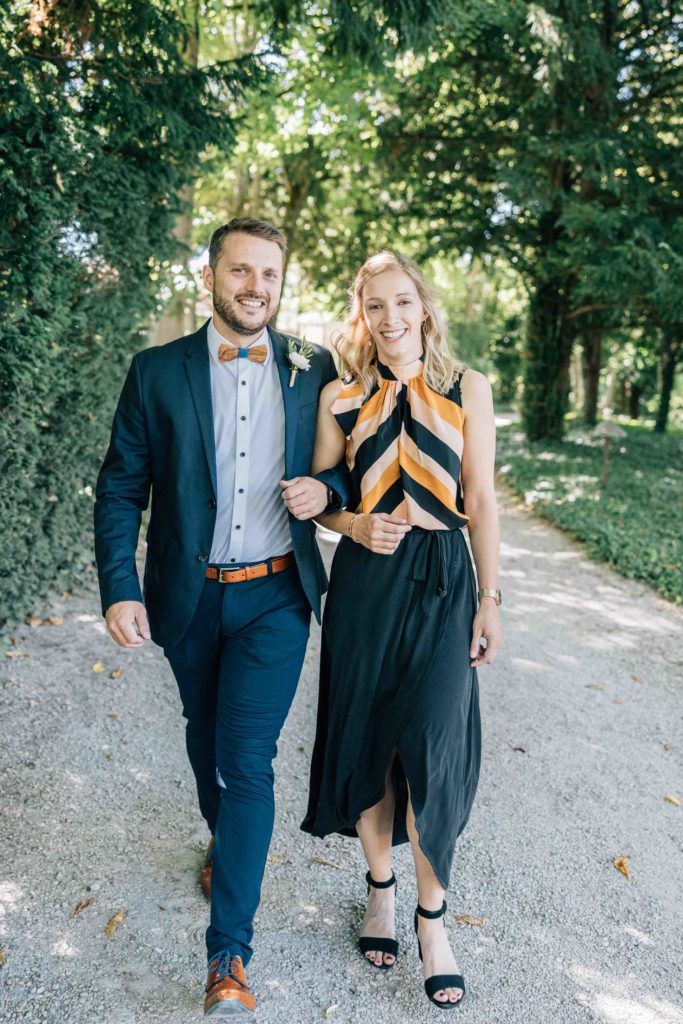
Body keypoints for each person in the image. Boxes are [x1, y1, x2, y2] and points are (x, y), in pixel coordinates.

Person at [94, 217, 350, 1018]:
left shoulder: (314, 366)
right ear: (209, 277)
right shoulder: (156, 372)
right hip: (188, 597)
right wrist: (119, 587)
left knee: (247, 762)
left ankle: (228, 954)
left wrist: (328, 491)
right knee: (204, 739)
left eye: (268, 274)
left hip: (276, 595)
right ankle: (226, 839)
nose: (255, 287)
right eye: (240, 271)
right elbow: (120, 488)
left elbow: (350, 465)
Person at [301, 252, 502, 1009]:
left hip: (445, 578)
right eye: (375, 306)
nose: (390, 318)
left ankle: (432, 919)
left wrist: (491, 599)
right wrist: (353, 523)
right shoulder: (341, 397)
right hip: (367, 582)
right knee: (366, 741)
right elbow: (326, 497)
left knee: (431, 746)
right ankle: (380, 890)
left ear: (423, 307)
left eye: (402, 302)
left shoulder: (466, 387)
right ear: (362, 315)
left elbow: (480, 497)